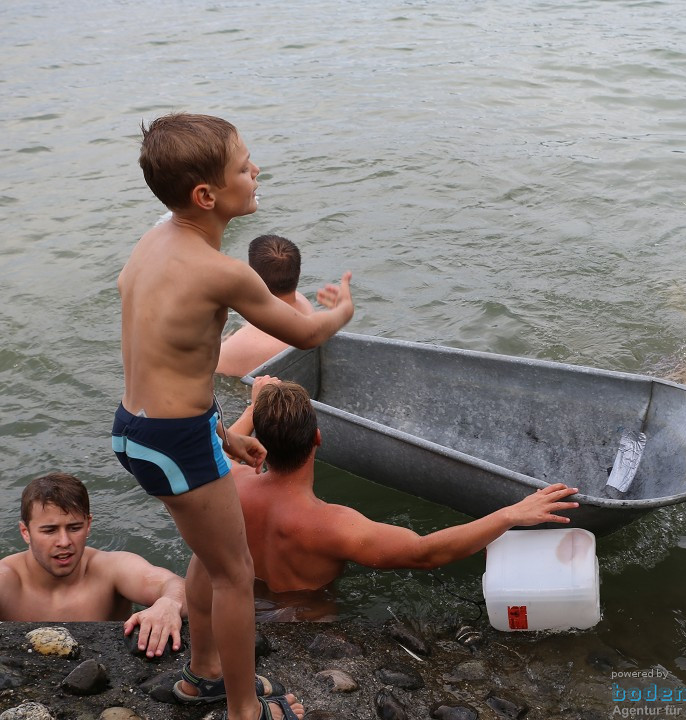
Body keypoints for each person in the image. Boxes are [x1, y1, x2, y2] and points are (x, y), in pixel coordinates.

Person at [110, 113, 356, 720]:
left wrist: (219, 434)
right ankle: (241, 708)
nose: (256, 172)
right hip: (173, 438)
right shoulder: (222, 272)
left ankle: (203, 673)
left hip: (144, 427)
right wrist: (343, 310)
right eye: (244, 166)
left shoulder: (157, 238)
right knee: (235, 573)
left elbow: (167, 358)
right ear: (207, 195)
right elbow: (304, 332)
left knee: (209, 553)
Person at [228, 378, 581, 595]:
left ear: (258, 441)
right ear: (318, 438)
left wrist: (253, 408)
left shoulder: (231, 484)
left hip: (247, 608)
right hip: (308, 620)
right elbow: (424, 553)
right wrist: (510, 514)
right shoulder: (331, 526)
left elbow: (216, 445)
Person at [0, 473, 186, 658]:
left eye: (74, 528)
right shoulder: (7, 579)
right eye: (50, 530)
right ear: (25, 532)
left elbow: (177, 585)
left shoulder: (110, 568)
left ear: (88, 525)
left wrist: (169, 603)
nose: (64, 541)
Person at [216, 235, 315, 377]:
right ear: (297, 272)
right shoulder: (303, 303)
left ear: (252, 276)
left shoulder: (241, 345)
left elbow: (206, 369)